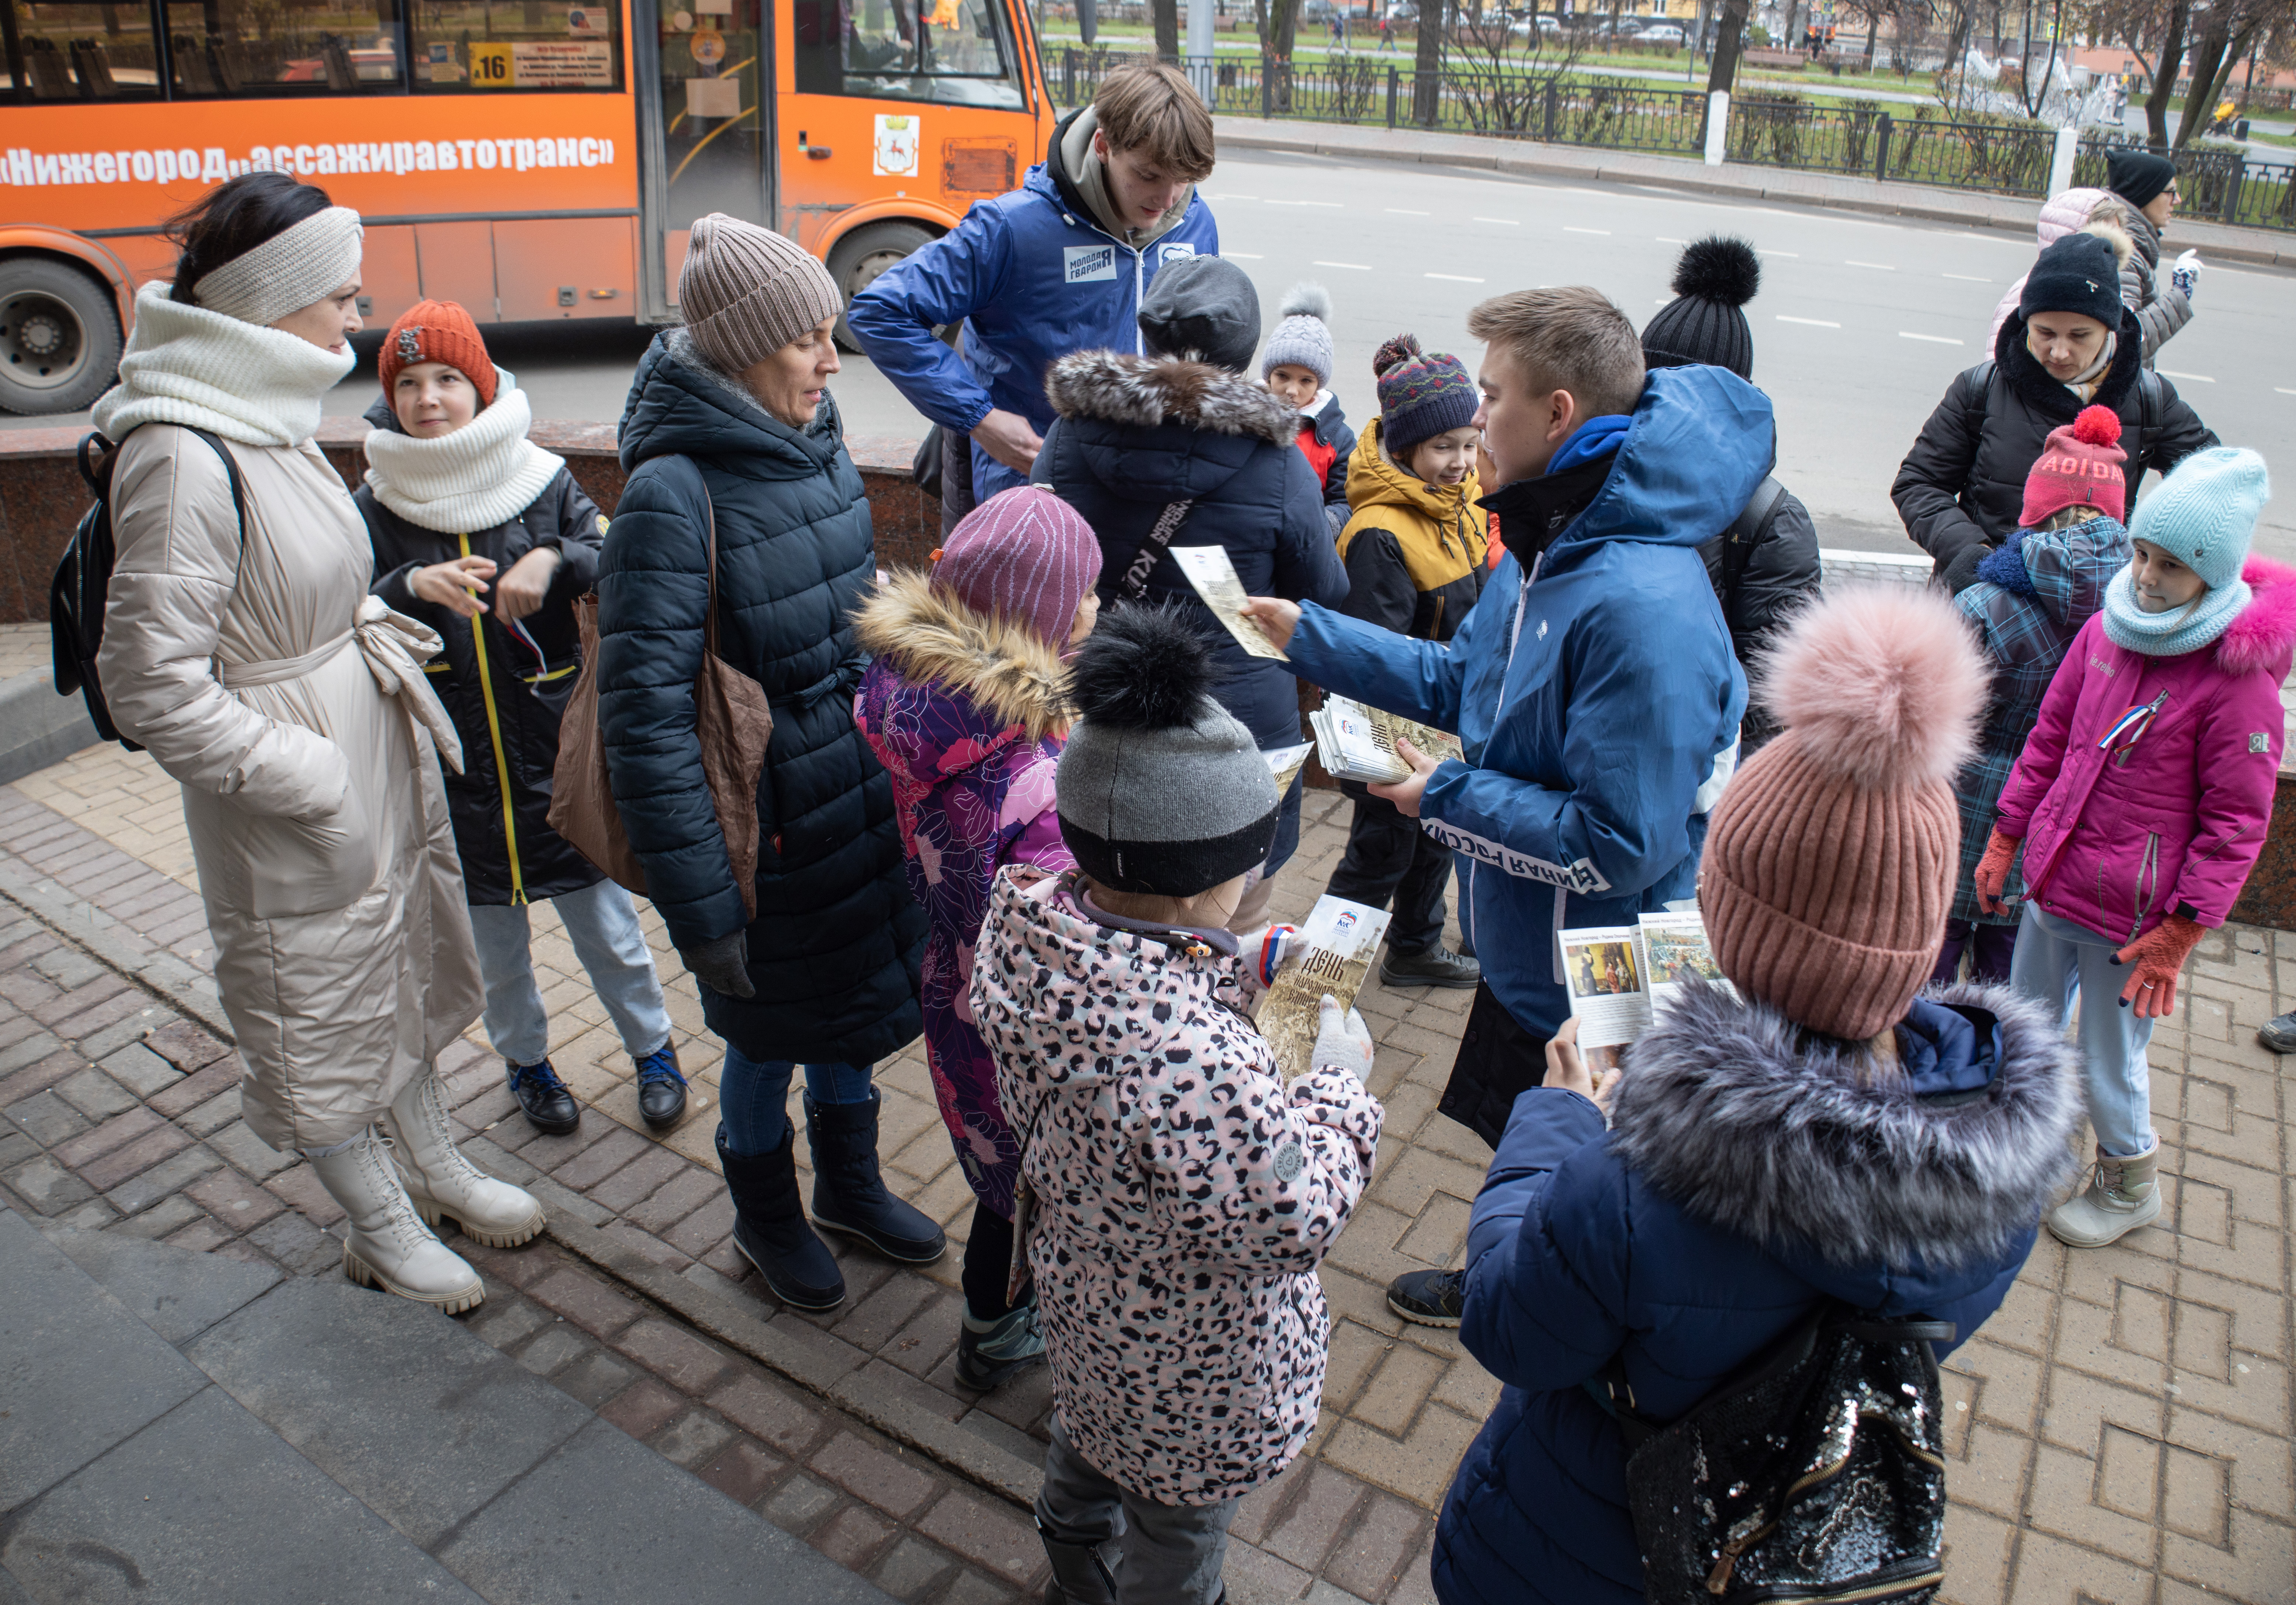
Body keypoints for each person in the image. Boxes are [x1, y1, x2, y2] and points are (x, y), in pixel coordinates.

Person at [1430, 584, 2081, 1605]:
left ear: (1731, 920)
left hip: (1582, 1545)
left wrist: (1556, 1119)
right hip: (1787, 1541)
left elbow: (1507, 1327)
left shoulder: (1632, 1188)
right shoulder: (1998, 1161)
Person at [1243, 286, 1764, 1328]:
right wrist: (1308, 635)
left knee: (1604, 1167)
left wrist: (1445, 793)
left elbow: (1620, 846)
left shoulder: (1634, 605)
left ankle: (1559, 1320)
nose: (1473, 421)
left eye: (1490, 396)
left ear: (1558, 413)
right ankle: (1503, 1271)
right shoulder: (1549, 545)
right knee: (1520, 1134)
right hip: (1534, 942)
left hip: (1608, 964)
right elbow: (1461, 685)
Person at [91, 173, 525, 1313]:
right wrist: (307, 773)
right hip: (294, 782)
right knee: (315, 1001)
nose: (354, 318)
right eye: (338, 295)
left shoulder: (258, 415)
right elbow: (147, 679)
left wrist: (372, 641)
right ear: (270, 302)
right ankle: (379, 1223)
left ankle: (435, 1166)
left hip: (357, 742)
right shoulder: (184, 450)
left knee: (396, 967)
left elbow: (314, 588)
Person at [969, 602, 1382, 1605]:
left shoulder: (1037, 927)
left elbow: (1143, 964)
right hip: (1194, 1370)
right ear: (1211, 874)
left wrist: (1239, 964)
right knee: (1177, 1536)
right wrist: (1338, 1090)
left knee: (1085, 1455)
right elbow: (1289, 1215)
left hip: (1090, 1310)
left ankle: (1072, 1570)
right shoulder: (1186, 1058)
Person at [597, 213, 940, 1315]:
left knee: (849, 1008)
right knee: (763, 1036)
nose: (834, 362)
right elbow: (645, 723)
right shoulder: (671, 494)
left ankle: (848, 1184)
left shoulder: (817, 431)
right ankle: (764, 1213)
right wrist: (705, 909)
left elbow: (851, 618)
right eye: (810, 341)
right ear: (747, 345)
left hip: (852, 800)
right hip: (763, 838)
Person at [357, 300, 684, 1141]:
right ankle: (527, 1064)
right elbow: (342, 606)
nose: (428, 398)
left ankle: (654, 1050)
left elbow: (609, 554)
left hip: (558, 764)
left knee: (609, 935)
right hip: (454, 776)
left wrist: (553, 557)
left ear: (482, 385)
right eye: (409, 382)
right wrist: (404, 590)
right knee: (494, 959)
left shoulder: (539, 476)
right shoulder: (376, 501)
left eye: (447, 380)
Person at [1978, 447, 2289, 1248]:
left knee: (2110, 1061)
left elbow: (2237, 821)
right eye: (2142, 552)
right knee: (2028, 1028)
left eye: (2174, 566)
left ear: (2214, 575)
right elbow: (2048, 741)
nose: (2147, 576)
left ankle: (2129, 1181)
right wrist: (2008, 835)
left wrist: (2183, 929)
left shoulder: (2236, 682)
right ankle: (2021, 1152)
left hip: (2134, 921)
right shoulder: (2104, 628)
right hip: (2054, 880)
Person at [851, 486, 1102, 1391]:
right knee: (1032, 1187)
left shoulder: (920, 699)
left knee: (1000, 1172)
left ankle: (993, 1313)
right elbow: (1073, 920)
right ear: (1039, 615)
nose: (1096, 607)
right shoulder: (1033, 768)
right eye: (1083, 594)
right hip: (1025, 1024)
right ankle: (994, 1332)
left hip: (954, 987)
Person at [1035, 254, 1348, 933]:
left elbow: (1044, 559)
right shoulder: (1275, 458)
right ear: (1242, 354)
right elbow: (1323, 589)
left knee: (1100, 903)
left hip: (1100, 709)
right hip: (1238, 729)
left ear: (1147, 335)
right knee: (1232, 918)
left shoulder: (1067, 436)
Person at [848, 62, 1220, 506]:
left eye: (1184, 180)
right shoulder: (1012, 227)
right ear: (1103, 146)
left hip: (1150, 488)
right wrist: (982, 419)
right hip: (1037, 488)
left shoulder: (1195, 222)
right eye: (1147, 176)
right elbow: (881, 312)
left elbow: (1206, 343)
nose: (1167, 200)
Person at [1894, 229, 2216, 594]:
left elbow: (2213, 484)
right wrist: (1973, 552)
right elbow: (1919, 483)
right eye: (2044, 332)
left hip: (2094, 614)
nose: (2059, 352)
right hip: (1981, 597)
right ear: (2025, 320)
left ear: (2109, 329)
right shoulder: (1979, 388)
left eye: (2079, 336)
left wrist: (2148, 557)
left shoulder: (2150, 397)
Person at [1936, 404, 2131, 989]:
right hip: (2057, 814)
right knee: (2011, 965)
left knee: (1936, 949)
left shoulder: (1982, 605)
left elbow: (1936, 717)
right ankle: (1999, 1068)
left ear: (2033, 512)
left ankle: (1926, 1057)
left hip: (1962, 804)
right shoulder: (2129, 618)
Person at [1322, 332, 1488, 991]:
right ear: (1404, 449)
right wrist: (1392, 752)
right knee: (1377, 855)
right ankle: (1315, 985)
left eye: (1468, 444)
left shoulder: (1459, 508)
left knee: (1436, 841)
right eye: (1443, 448)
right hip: (1394, 727)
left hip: (1446, 718)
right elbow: (1374, 655)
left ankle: (1414, 947)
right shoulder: (1379, 532)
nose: (1460, 462)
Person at [1639, 235, 1822, 752]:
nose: (1658, 405)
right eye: (1648, 383)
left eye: (1682, 388)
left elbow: (1771, 697)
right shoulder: (1597, 477)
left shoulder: (1769, 520)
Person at [1985, 182, 2195, 366]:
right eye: (2104, 237)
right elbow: (2000, 374)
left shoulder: (2098, 286)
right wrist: (2179, 297)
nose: (2109, 249)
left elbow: (2120, 348)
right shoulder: (2028, 293)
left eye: (2117, 236)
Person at [1260, 281, 1355, 535]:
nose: (1292, 390)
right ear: (1268, 376)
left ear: (1319, 384)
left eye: (1306, 381)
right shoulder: (1237, 421)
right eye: (1282, 376)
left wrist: (1318, 526)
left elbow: (1346, 502)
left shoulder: (1338, 438)